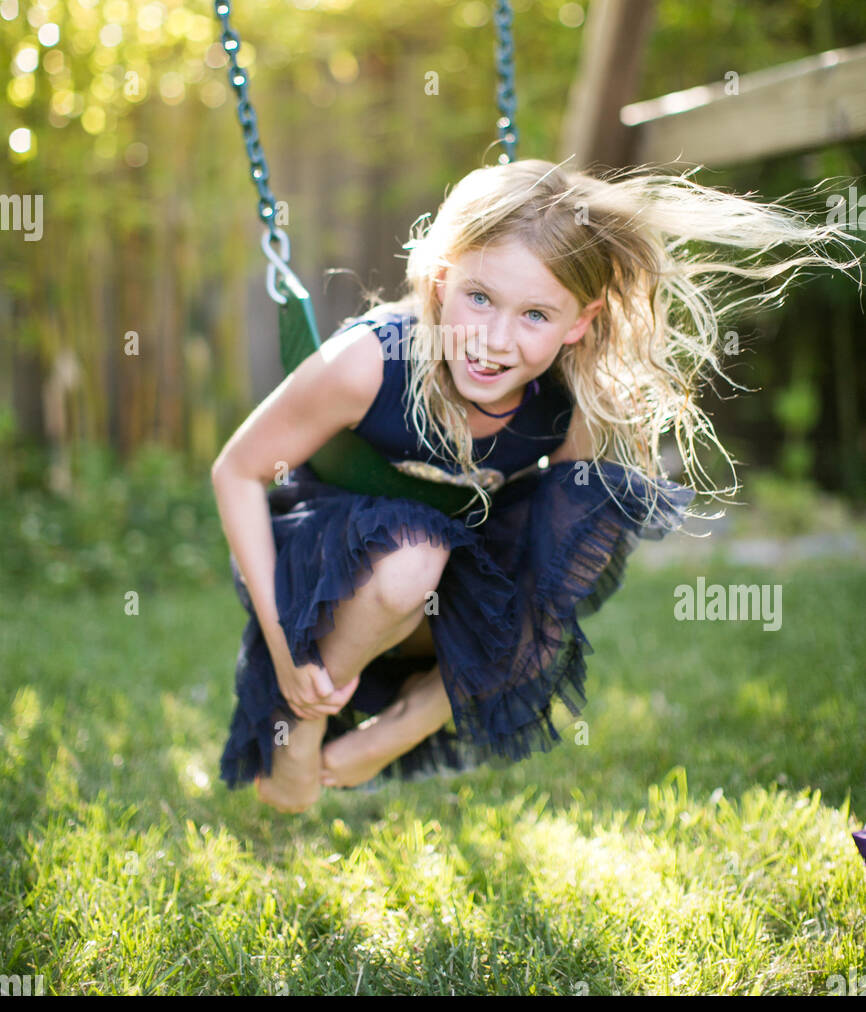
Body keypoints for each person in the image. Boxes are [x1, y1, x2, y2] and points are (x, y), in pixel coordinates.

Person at [211, 159, 859, 812]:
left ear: (579, 321)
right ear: (441, 282)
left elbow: (558, 569)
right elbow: (235, 471)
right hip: (320, 567)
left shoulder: (568, 402)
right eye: (480, 298)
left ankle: (418, 713)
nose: (494, 341)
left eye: (535, 315)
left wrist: (428, 710)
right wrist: (286, 650)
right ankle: (307, 716)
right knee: (413, 557)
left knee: (584, 520)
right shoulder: (367, 364)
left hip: (437, 585)